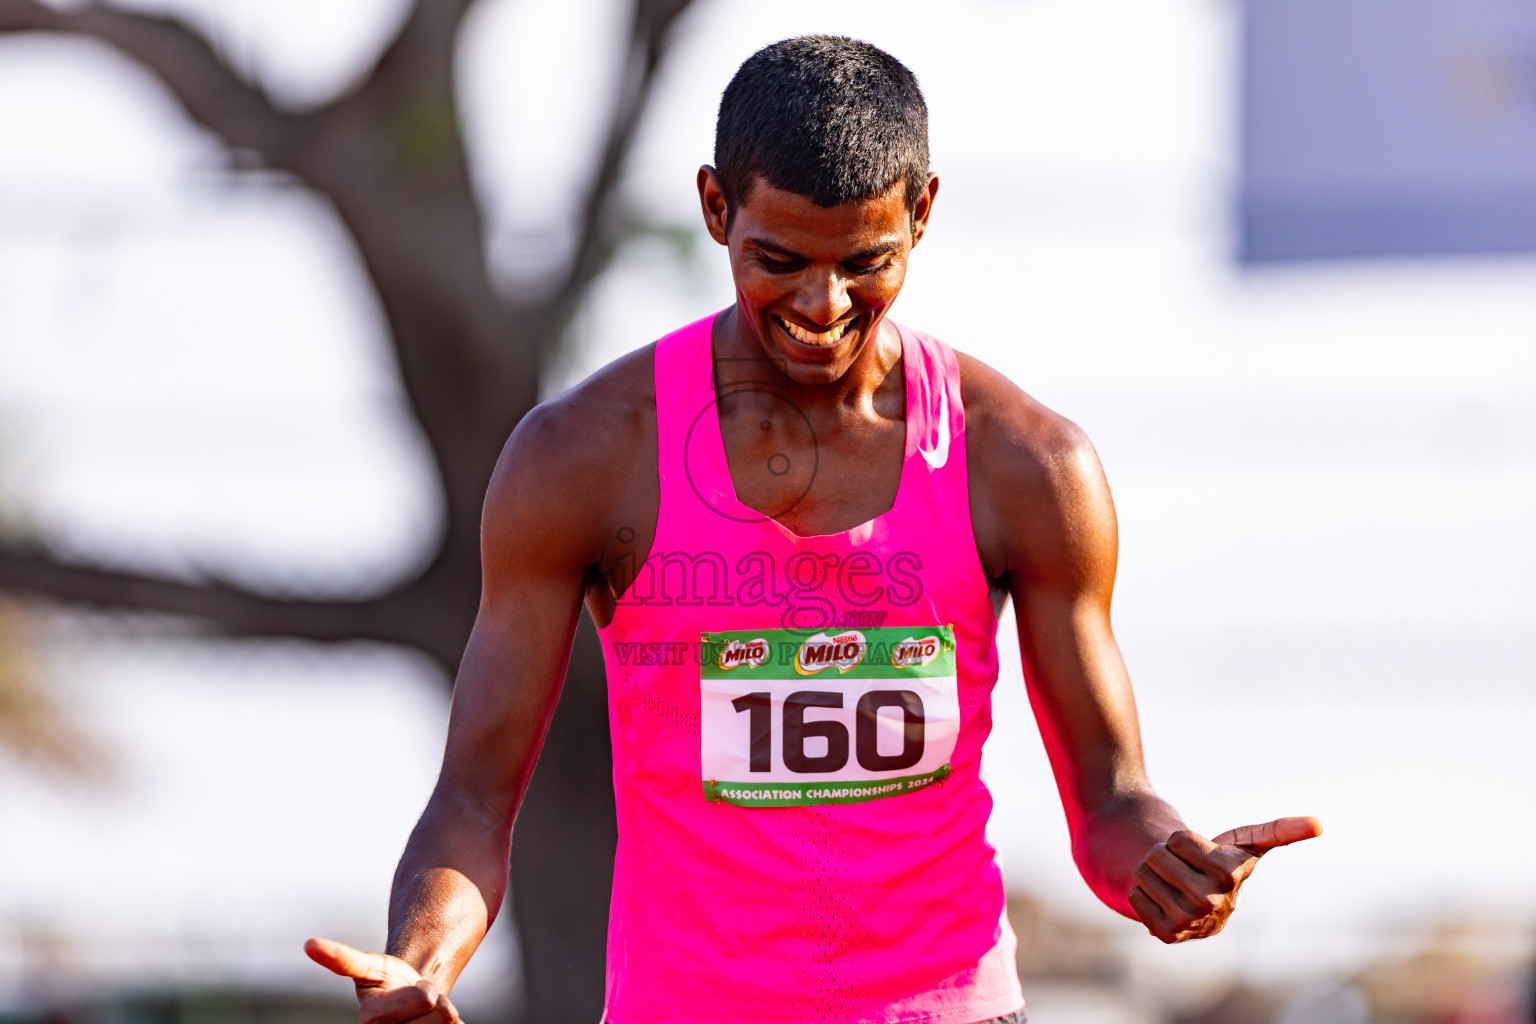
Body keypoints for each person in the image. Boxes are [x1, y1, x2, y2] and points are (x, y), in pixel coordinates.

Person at [304, 35, 1320, 1024]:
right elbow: (474, 802)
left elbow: (1109, 801)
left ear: (923, 213)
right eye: (778, 259)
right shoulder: (585, 456)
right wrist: (421, 959)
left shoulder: (1027, 465)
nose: (823, 305)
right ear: (715, 209)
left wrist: (1164, 865)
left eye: (865, 262)